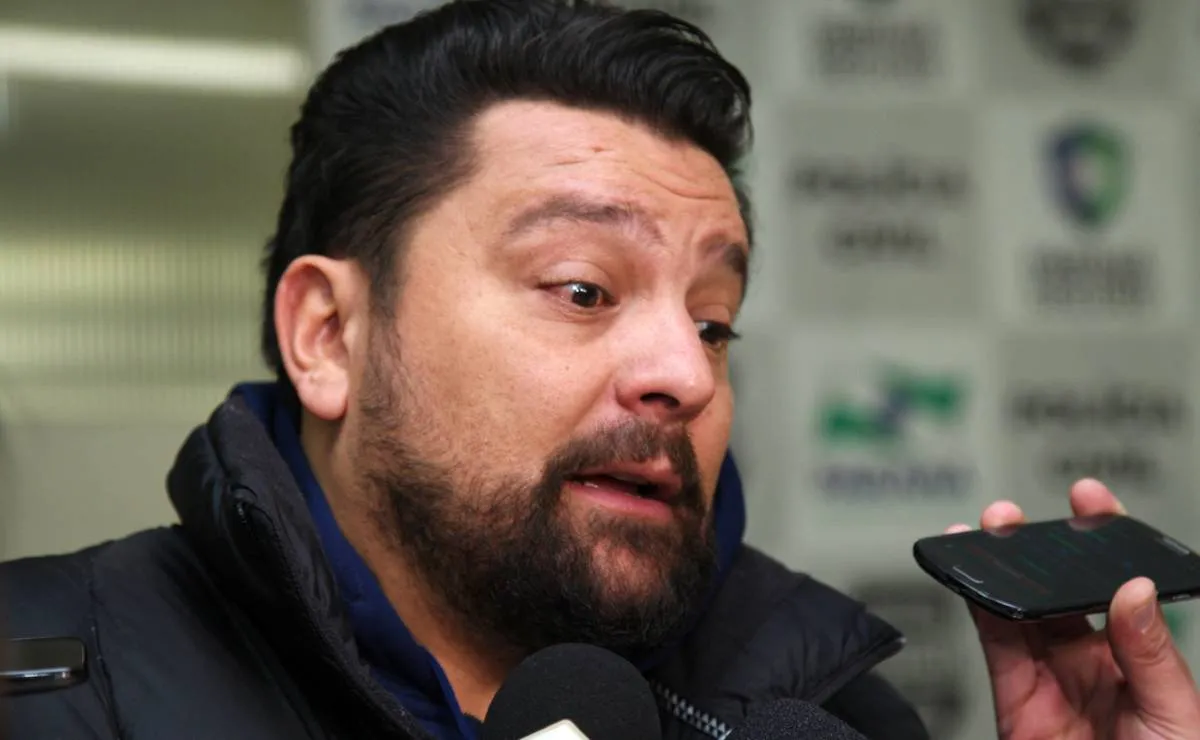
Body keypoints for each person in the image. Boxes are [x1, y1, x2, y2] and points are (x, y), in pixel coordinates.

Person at [2, 1, 1198, 738]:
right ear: (328, 334)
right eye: (583, 288)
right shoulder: (42, 681)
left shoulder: (834, 717)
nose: (686, 371)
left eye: (716, 321)